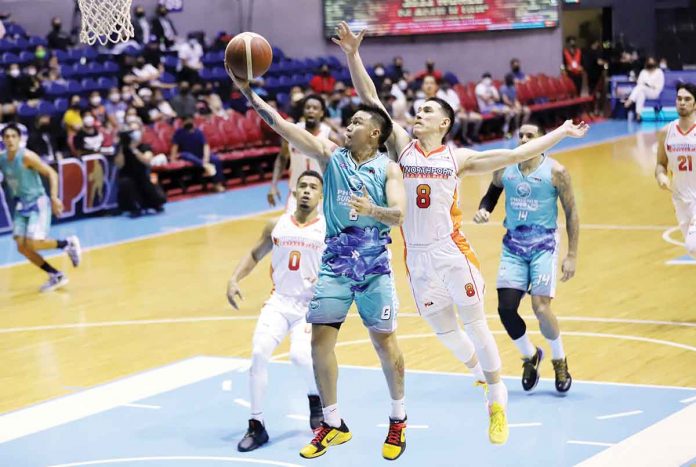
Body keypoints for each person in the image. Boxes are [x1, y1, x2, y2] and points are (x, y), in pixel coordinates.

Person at [334, 21, 589, 445]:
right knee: (447, 335)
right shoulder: (402, 146)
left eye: (428, 111)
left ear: (445, 124)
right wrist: (352, 54)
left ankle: (497, 397)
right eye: (418, 109)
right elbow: (370, 98)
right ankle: (479, 374)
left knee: (476, 326)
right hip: (415, 258)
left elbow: (516, 152)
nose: (419, 113)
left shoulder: (460, 158)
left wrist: (561, 131)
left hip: (452, 252)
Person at [227, 62, 409, 461]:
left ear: (375, 133)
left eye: (357, 121)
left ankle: (398, 418)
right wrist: (247, 93)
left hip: (375, 264)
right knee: (318, 346)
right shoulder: (332, 156)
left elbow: (399, 215)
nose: (348, 124)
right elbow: (281, 126)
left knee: (384, 344)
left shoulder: (389, 168)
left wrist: (372, 209)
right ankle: (333, 423)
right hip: (336, 264)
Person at [473, 122, 578, 393]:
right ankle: (530, 355)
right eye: (520, 135)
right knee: (505, 310)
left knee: (541, 307)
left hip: (544, 245)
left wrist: (572, 255)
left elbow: (571, 213)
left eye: (530, 135)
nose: (523, 139)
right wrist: (484, 210)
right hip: (513, 246)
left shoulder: (556, 172)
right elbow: (492, 193)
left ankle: (559, 359)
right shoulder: (505, 166)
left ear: (543, 140)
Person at [227, 171, 326, 452]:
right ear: (294, 192)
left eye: (313, 187)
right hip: (279, 301)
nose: (307, 190)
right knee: (258, 354)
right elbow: (254, 254)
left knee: (299, 357)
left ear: (321, 195)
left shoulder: (328, 227)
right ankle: (256, 425)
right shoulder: (277, 225)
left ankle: (314, 397)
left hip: (310, 305)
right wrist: (234, 279)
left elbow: (341, 265)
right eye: (302, 186)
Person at [0, 124, 81, 292]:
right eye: (6, 137)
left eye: (13, 136)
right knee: (22, 246)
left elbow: (52, 173)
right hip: (21, 204)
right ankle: (55, 275)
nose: (9, 140)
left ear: (19, 138)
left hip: (38, 202)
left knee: (35, 243)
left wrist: (54, 197)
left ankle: (67, 244)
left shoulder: (27, 157)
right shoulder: (2, 159)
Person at [268, 94, 341, 211]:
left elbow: (341, 167)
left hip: (322, 196)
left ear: (322, 113)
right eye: (308, 107)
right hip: (296, 193)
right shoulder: (292, 132)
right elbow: (282, 158)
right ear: (303, 111)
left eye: (315, 108)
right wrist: (273, 185)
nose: (311, 110)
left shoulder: (331, 137)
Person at [656, 82, 696, 258]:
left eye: (687, 99)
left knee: (693, 246)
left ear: (695, 104)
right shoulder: (666, 132)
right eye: (679, 99)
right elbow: (660, 164)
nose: (682, 102)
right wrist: (661, 176)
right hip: (680, 200)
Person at [114, 121, 166, 217]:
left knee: (147, 184)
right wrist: (122, 147)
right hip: (127, 176)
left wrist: (133, 149)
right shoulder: (122, 149)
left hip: (142, 175)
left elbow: (147, 161)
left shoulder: (144, 146)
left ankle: (154, 203)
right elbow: (119, 165)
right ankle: (134, 207)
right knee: (126, 183)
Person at [170, 116, 225, 192]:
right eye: (186, 120)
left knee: (216, 160)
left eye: (190, 120)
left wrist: (206, 158)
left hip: (200, 154)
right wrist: (173, 159)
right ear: (182, 122)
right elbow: (175, 146)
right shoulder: (178, 133)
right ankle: (205, 166)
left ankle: (217, 184)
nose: (188, 121)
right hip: (188, 155)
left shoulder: (198, 131)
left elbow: (205, 145)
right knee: (185, 154)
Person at [624, 57, 665, 122]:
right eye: (649, 62)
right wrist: (645, 85)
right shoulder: (643, 72)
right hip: (644, 91)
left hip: (655, 92)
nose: (650, 63)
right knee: (641, 93)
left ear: (655, 63)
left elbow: (660, 86)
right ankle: (638, 115)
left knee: (641, 87)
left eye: (652, 62)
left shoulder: (659, 72)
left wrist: (649, 85)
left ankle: (630, 100)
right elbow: (639, 83)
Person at [475, 72, 515, 137]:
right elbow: (485, 99)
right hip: (484, 108)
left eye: (489, 78)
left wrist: (490, 97)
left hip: (494, 105)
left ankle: (505, 129)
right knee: (501, 111)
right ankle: (501, 130)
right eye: (486, 78)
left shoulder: (492, 87)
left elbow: (498, 98)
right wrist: (492, 96)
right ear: (483, 79)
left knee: (508, 110)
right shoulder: (479, 87)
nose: (488, 80)